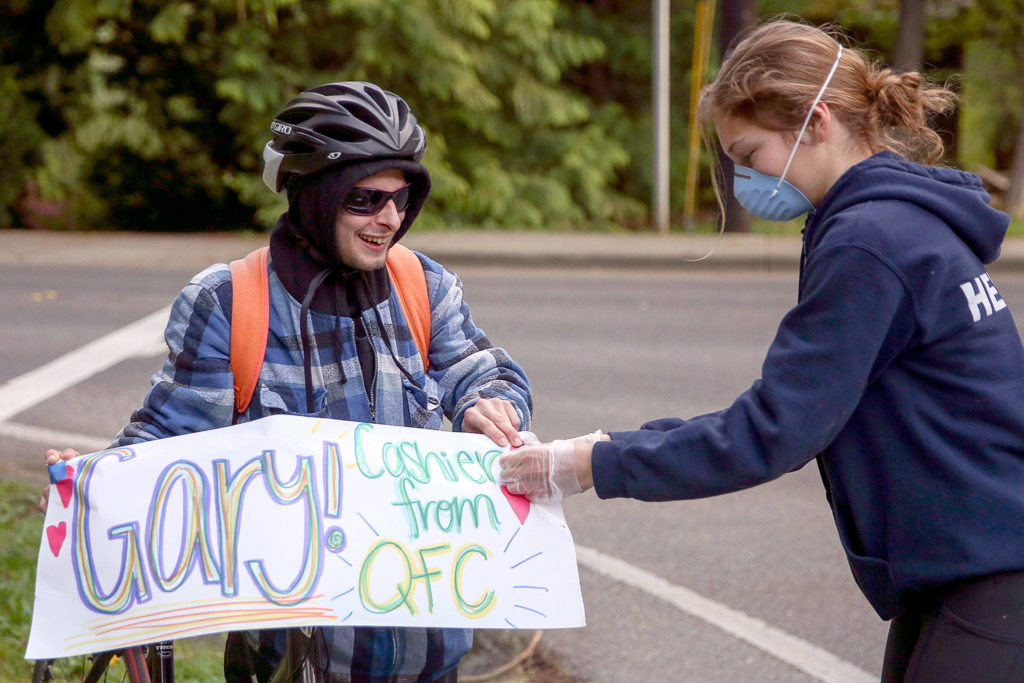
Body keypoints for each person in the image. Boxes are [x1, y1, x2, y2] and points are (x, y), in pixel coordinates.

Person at [499, 19, 1024, 682]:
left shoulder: (869, 241)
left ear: (815, 120)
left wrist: (591, 462)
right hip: (969, 563)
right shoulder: (901, 221)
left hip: (988, 571)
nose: (745, 177)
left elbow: (773, 431)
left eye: (749, 155)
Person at [44, 81, 532, 682]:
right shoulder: (228, 302)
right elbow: (170, 434)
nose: (391, 218)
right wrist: (91, 489)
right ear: (313, 195)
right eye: (365, 199)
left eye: (403, 198)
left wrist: (492, 403)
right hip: (291, 662)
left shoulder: (424, 286)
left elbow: (480, 371)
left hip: (429, 654)